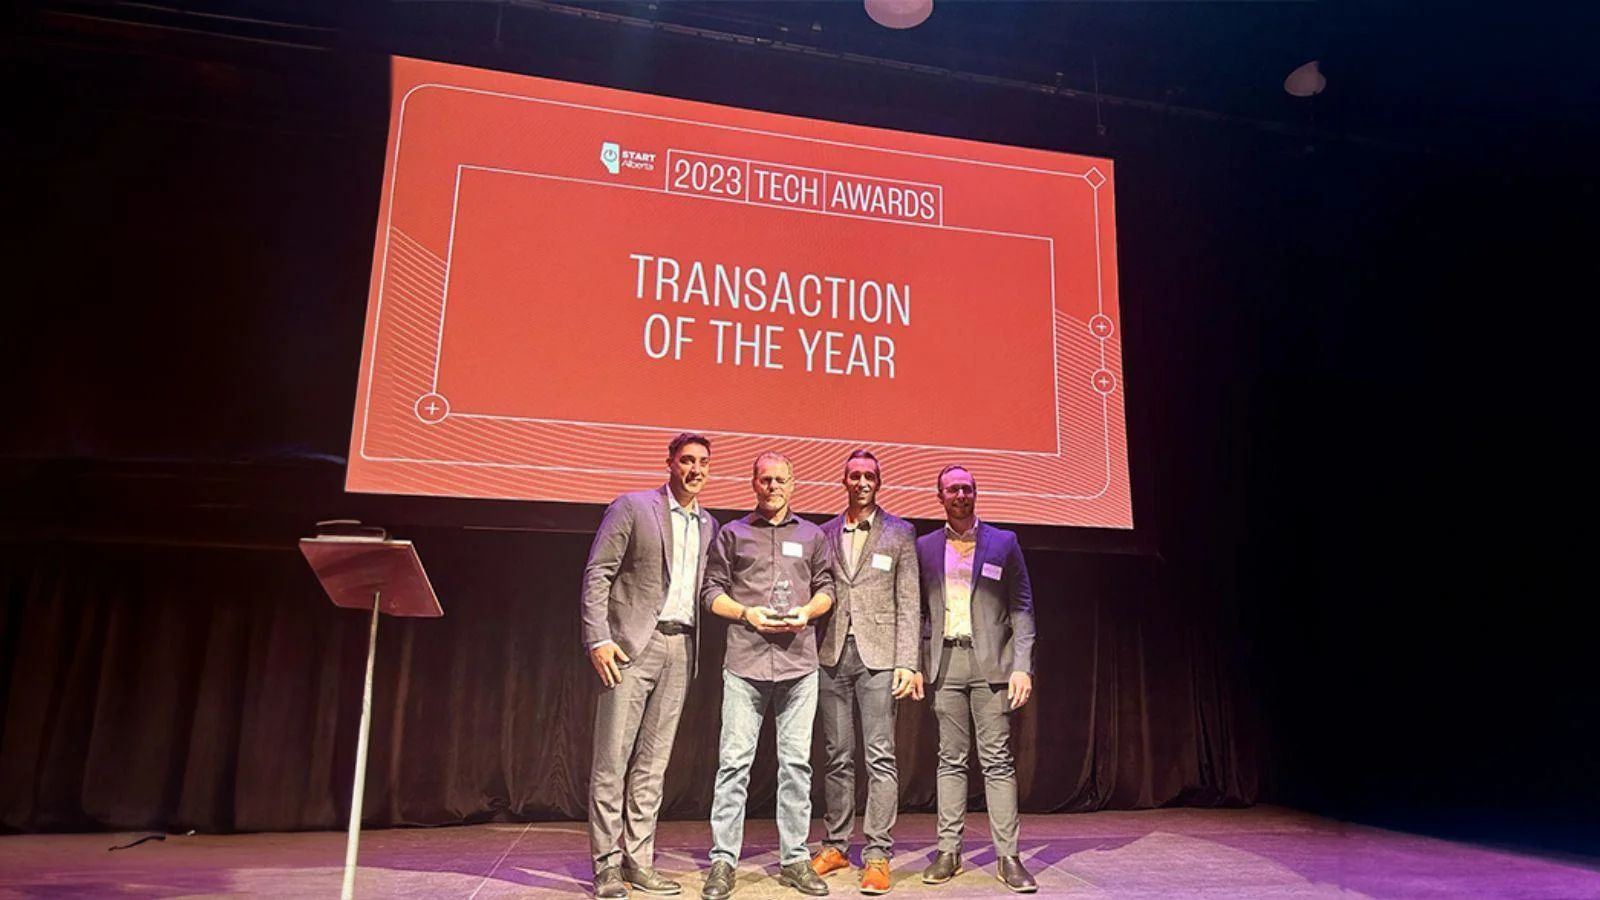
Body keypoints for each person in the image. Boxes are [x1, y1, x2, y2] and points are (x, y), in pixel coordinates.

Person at [580, 433, 718, 898]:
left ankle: (639, 861)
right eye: (687, 461)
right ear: (670, 463)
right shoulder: (633, 507)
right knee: (612, 761)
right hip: (630, 646)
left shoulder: (709, 523)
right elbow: (598, 572)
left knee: (653, 766)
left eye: (703, 463)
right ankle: (606, 866)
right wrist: (598, 638)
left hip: (682, 648)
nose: (695, 470)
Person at [700, 451, 835, 899]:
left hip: (799, 665)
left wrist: (807, 612)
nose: (773, 486)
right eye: (765, 479)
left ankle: (795, 859)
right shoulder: (732, 533)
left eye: (780, 479)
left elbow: (827, 588)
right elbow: (710, 592)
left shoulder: (813, 535)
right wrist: (746, 613)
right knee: (733, 765)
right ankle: (723, 861)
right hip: (745, 663)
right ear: (754, 483)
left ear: (792, 484)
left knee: (796, 766)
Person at [915, 465, 1038, 893]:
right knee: (950, 759)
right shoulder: (925, 546)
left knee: (997, 761)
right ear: (940, 496)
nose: (961, 495)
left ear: (975, 493)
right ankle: (948, 852)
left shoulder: (1004, 542)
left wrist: (1022, 665)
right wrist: (915, 663)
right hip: (944, 662)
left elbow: (1022, 605)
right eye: (952, 489)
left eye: (966, 488)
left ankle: (1009, 857)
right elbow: (917, 611)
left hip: (993, 666)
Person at [808, 450, 921, 894]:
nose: (861, 482)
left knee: (880, 756)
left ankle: (877, 853)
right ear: (844, 481)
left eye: (868, 475)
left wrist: (908, 661)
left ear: (879, 481)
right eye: (854, 475)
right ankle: (836, 845)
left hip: (880, 657)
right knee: (837, 754)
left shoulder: (900, 532)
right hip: (832, 653)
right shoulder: (824, 533)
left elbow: (909, 602)